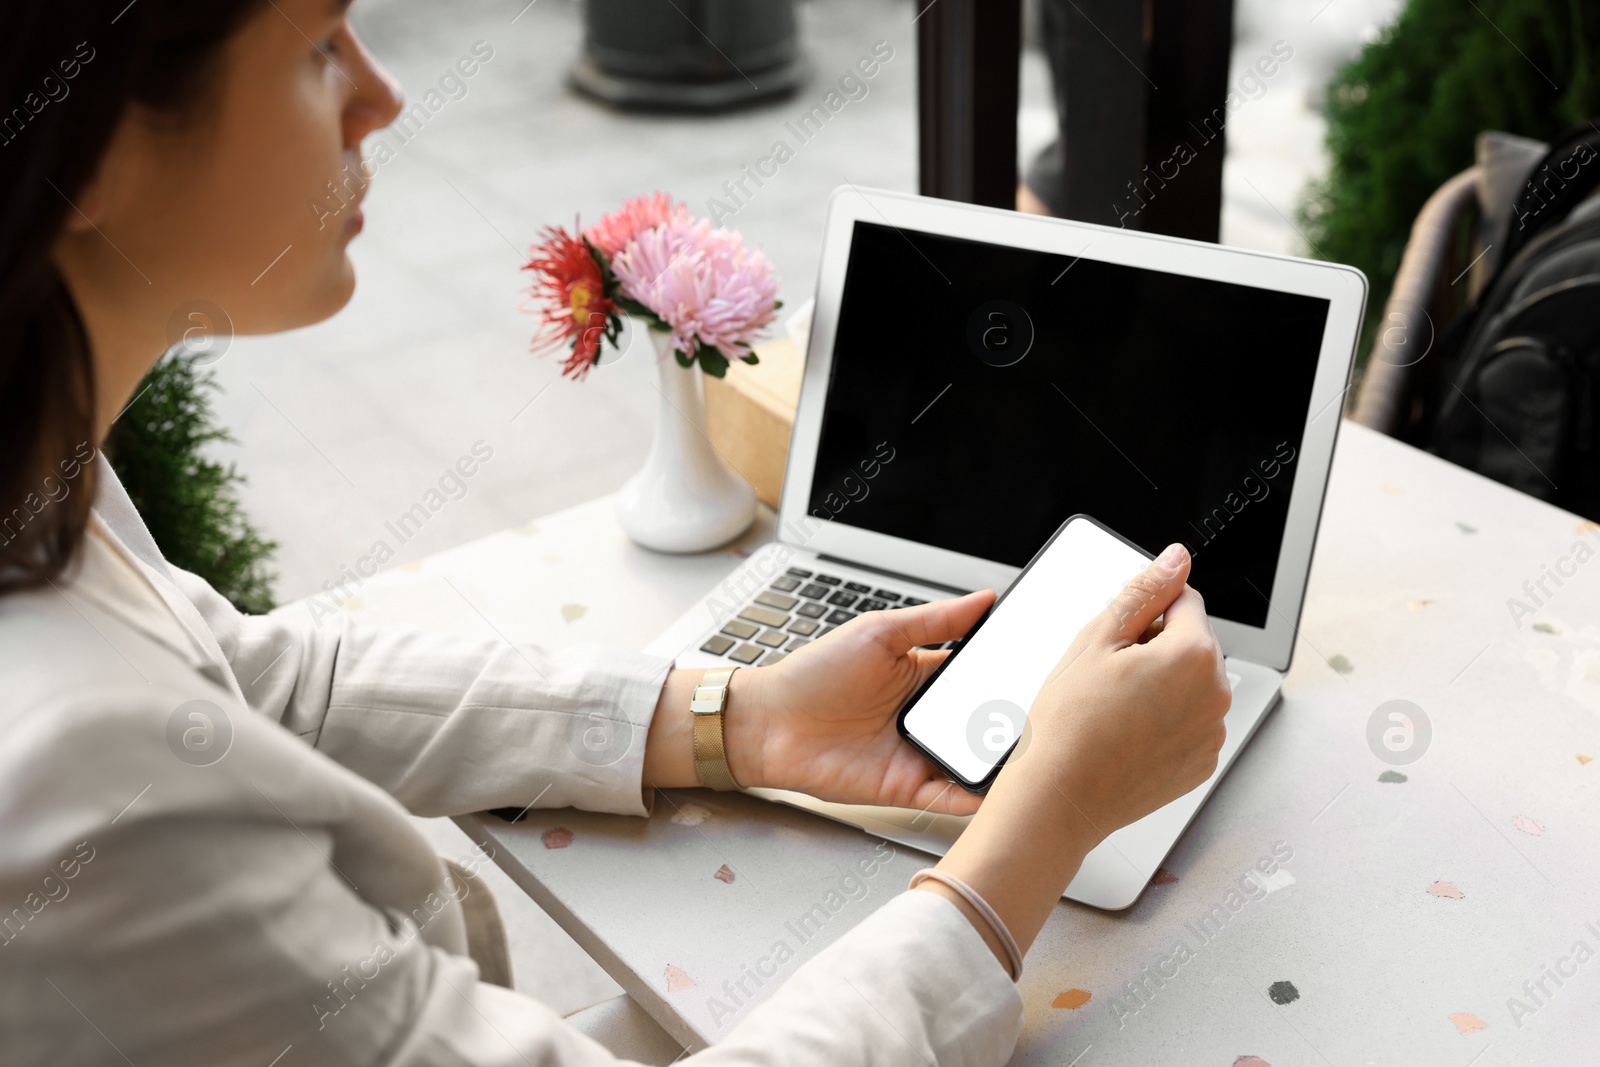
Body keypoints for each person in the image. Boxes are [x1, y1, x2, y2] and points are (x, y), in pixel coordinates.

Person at [0, 2, 1232, 1064]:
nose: (379, 98)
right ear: (86, 135)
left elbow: (257, 682)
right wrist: (1043, 824)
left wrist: (740, 719)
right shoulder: (76, 795)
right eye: (319, 46)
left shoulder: (36, 460)